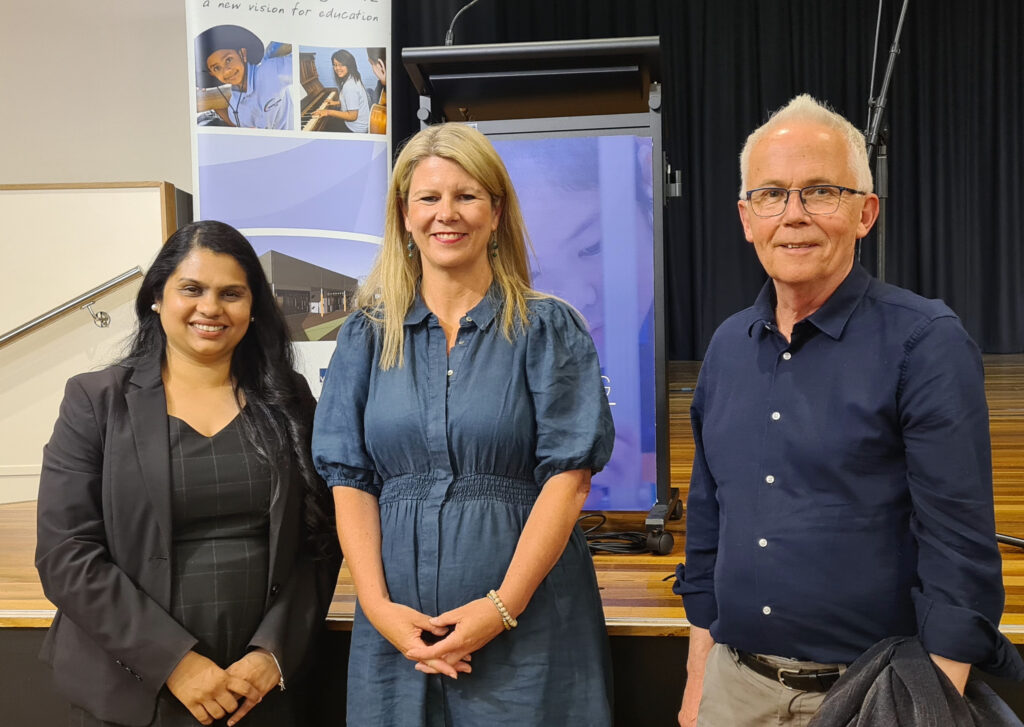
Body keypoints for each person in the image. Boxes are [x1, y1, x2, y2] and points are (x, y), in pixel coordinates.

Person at [673, 94, 1024, 726]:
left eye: (821, 192)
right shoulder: (727, 346)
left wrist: (928, 704)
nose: (794, 215)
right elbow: (708, 522)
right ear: (746, 218)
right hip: (734, 688)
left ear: (865, 213)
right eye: (772, 194)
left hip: (872, 697)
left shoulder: (925, 342)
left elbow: (959, 553)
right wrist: (700, 672)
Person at [312, 122, 615, 725]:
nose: (446, 214)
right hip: (398, 636)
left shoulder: (548, 328)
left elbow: (569, 478)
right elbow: (349, 480)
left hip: (529, 630)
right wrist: (377, 607)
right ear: (404, 214)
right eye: (428, 197)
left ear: (496, 211)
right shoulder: (365, 337)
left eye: (467, 195)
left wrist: (502, 608)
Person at [36, 220, 341, 726]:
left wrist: (272, 654)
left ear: (252, 307)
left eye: (231, 293)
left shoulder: (289, 402)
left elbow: (320, 541)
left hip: (259, 693)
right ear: (157, 296)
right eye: (192, 289)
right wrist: (175, 662)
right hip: (136, 691)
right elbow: (66, 554)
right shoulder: (96, 401)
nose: (210, 308)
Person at [196, 25, 294, 130]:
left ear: (242, 54)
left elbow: (300, 64)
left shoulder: (270, 71)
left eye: (228, 60)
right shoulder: (235, 105)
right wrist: (212, 104)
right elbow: (244, 127)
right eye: (217, 68)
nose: (226, 70)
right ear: (212, 74)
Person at [311, 49, 369, 133]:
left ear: (349, 65)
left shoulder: (349, 86)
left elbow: (353, 116)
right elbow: (353, 101)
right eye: (335, 65)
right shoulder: (353, 77)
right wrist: (337, 103)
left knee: (325, 128)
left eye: (341, 65)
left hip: (355, 129)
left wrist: (327, 112)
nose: (337, 68)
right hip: (358, 124)